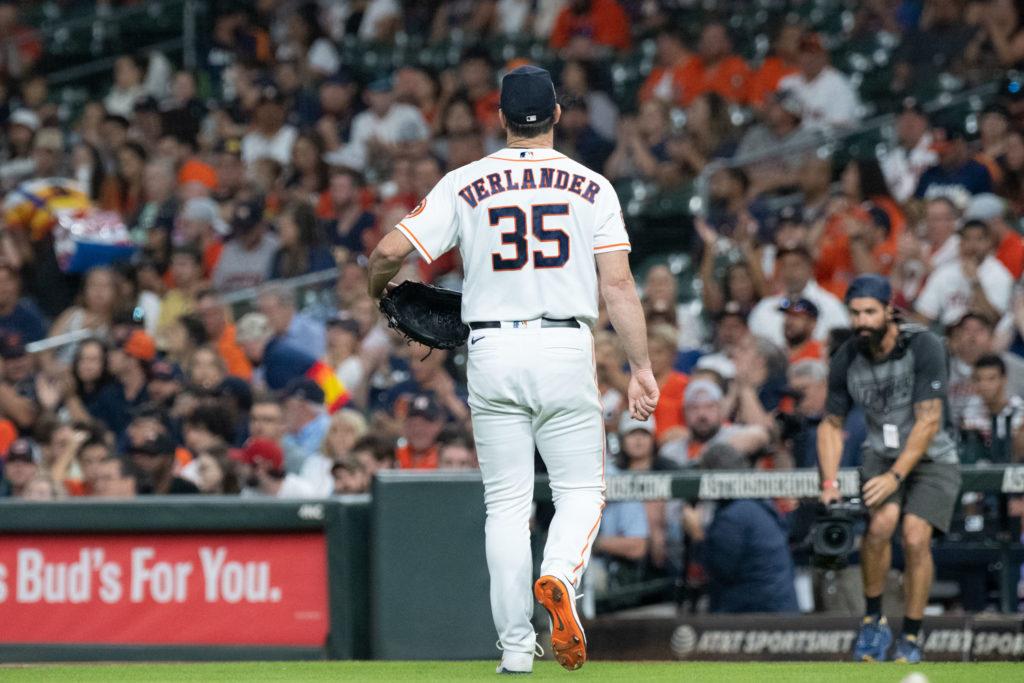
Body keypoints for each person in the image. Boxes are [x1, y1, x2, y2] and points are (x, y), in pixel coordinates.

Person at [366, 65, 659, 674]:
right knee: (580, 491)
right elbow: (621, 286)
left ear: (501, 118)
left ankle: (516, 652)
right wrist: (641, 369)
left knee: (505, 505)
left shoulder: (466, 180)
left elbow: (391, 251)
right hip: (563, 346)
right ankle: (557, 577)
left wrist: (379, 291)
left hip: (491, 350)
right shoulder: (592, 185)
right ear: (556, 114)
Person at [819, 274, 961, 663]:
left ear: (888, 311)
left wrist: (896, 476)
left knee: (915, 537)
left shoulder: (924, 345)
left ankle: (911, 638)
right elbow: (831, 425)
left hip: (933, 455)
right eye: (854, 313)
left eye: (869, 312)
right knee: (880, 526)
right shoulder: (846, 357)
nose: (861, 320)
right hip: (880, 453)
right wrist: (829, 481)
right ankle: (873, 623)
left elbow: (929, 421)